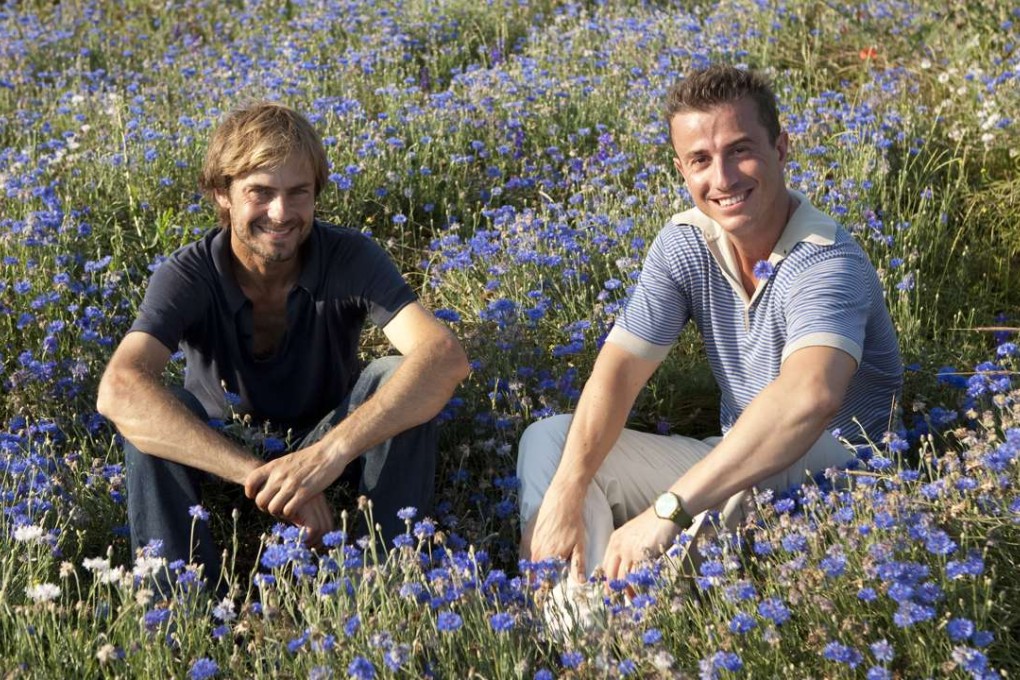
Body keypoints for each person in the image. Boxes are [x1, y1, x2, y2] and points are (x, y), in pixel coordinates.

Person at [518, 65, 902, 592]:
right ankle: (583, 621)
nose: (722, 178)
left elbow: (809, 399)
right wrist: (566, 491)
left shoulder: (826, 261)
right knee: (552, 443)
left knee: (760, 456)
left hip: (841, 476)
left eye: (740, 150)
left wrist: (668, 511)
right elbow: (620, 372)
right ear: (682, 170)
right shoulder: (686, 243)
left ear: (781, 149)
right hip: (733, 463)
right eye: (701, 159)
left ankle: (634, 603)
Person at [96, 101, 470, 593]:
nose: (281, 213)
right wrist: (265, 476)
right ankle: (180, 604)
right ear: (222, 194)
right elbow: (118, 390)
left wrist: (325, 457)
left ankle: (388, 579)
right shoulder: (188, 273)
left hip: (330, 442)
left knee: (399, 374)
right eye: (261, 192)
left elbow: (444, 357)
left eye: (298, 193)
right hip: (221, 452)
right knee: (151, 412)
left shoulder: (349, 255)